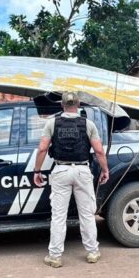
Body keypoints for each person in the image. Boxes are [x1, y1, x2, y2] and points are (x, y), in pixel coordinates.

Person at [33, 92, 110, 268]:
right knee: (87, 214)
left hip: (61, 170)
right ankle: (92, 252)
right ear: (79, 104)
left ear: (62, 105)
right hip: (83, 171)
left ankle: (55, 256)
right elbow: (98, 151)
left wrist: (37, 170)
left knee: (59, 216)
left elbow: (42, 148)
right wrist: (105, 169)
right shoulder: (88, 124)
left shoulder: (52, 123)